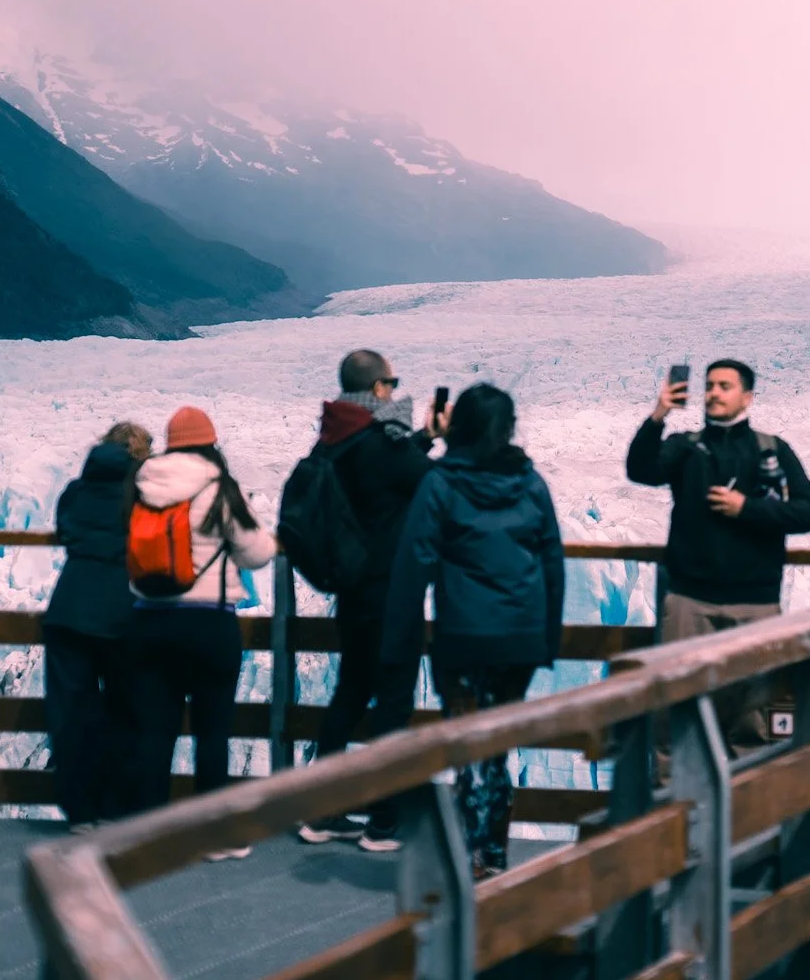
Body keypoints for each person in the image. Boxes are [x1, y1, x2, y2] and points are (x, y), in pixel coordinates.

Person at [384, 384, 564, 881]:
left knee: (465, 747)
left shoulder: (442, 483)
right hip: (519, 637)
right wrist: (547, 638)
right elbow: (552, 560)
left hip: (462, 634)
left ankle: (467, 859)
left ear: (458, 424)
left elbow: (414, 561)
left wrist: (398, 639)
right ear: (508, 428)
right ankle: (496, 853)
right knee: (499, 744)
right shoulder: (530, 482)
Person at [294, 349, 447, 851]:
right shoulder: (382, 443)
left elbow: (390, 471)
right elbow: (432, 481)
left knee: (350, 693)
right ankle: (383, 821)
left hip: (353, 593)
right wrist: (443, 440)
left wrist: (422, 437)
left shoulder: (334, 438)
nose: (395, 391)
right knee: (394, 703)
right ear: (379, 388)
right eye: (393, 383)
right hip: (391, 594)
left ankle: (321, 812)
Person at [625, 358, 810, 746]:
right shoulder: (685, 448)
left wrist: (746, 508)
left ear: (747, 397)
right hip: (690, 604)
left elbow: (809, 512)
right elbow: (640, 469)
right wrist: (659, 414)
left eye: (724, 386)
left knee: (749, 722)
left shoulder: (772, 451)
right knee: (674, 719)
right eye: (709, 386)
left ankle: (743, 787)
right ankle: (675, 788)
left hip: (754, 606)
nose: (713, 393)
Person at [121, 406, 275, 857]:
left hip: (148, 621)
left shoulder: (142, 484)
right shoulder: (219, 486)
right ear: (210, 442)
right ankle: (214, 836)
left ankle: (146, 835)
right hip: (209, 623)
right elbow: (257, 552)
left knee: (154, 732)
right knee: (212, 731)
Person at [42, 421, 151, 831]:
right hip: (124, 613)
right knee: (127, 711)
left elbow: (67, 530)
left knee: (71, 713)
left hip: (69, 611)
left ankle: (80, 811)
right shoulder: (142, 494)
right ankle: (115, 809)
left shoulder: (75, 491)